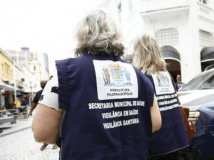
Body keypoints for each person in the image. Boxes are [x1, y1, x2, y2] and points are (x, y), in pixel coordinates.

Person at [32, 10, 161, 160]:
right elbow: (155, 123)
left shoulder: (65, 74)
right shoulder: (139, 75)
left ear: (82, 35)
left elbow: (42, 133)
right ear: (116, 36)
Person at [132, 33, 189, 160]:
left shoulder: (141, 78)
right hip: (176, 138)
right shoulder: (165, 74)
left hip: (156, 144)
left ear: (139, 53)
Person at [28, 80, 58, 150]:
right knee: (44, 128)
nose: (43, 85)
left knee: (55, 128)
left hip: (54, 113)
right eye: (41, 84)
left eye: (44, 83)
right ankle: (45, 143)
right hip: (43, 114)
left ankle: (55, 143)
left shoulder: (54, 90)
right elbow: (34, 102)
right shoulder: (38, 93)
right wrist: (30, 111)